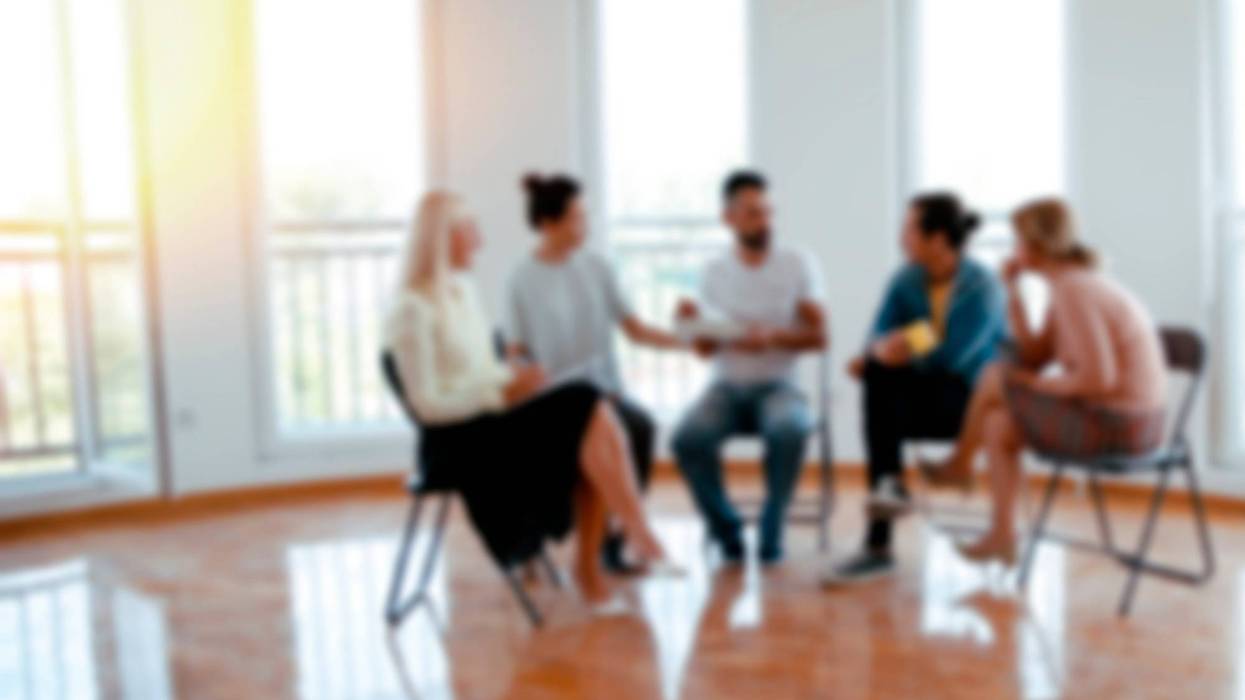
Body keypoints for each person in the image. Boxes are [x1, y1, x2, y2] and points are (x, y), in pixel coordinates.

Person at [383, 191, 680, 611]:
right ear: (442, 238)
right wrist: (496, 391)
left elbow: (484, 371)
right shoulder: (411, 310)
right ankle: (623, 545)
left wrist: (516, 381)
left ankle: (621, 544)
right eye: (471, 231)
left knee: (590, 417)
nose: (480, 241)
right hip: (455, 441)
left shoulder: (463, 292)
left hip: (489, 417)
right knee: (587, 406)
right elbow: (427, 407)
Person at [923, 198, 1167, 564]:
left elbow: (1098, 379)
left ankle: (960, 464)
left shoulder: (1075, 290)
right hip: (1116, 418)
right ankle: (1002, 535)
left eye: (1016, 240)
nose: (1013, 249)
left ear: (1035, 245)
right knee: (997, 424)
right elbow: (1035, 356)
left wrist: (1031, 385)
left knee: (994, 376)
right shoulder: (1067, 287)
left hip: (1124, 426)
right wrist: (1013, 293)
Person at [505, 173, 685, 573]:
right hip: (553, 402)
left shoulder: (597, 266)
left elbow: (635, 330)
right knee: (564, 449)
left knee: (640, 427)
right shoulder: (520, 278)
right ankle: (546, 540)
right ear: (548, 225)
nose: (585, 226)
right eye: (576, 218)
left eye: (585, 216)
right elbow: (515, 353)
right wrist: (526, 375)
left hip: (602, 393)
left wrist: (686, 342)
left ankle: (615, 538)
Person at [824, 193, 1008, 585]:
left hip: (968, 405)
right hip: (917, 398)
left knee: (881, 375)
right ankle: (885, 517)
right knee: (877, 371)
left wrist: (903, 345)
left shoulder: (982, 287)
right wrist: (878, 350)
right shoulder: (905, 278)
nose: (901, 236)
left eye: (908, 228)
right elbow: (877, 332)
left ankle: (880, 534)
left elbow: (955, 356)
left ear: (938, 238)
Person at [672, 170, 829, 565]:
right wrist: (691, 325)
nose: (765, 223)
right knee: (686, 439)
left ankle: (773, 525)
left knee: (790, 429)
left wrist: (773, 337)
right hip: (725, 387)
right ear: (729, 218)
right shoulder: (713, 272)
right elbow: (705, 351)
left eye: (769, 213)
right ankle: (728, 530)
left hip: (780, 387)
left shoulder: (798, 263)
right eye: (754, 214)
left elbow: (820, 337)